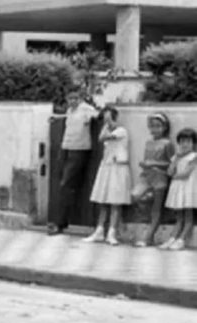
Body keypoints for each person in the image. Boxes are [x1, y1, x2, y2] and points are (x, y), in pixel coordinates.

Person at [48, 89, 99, 235]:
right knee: (62, 183)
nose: (73, 101)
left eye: (75, 98)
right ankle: (60, 220)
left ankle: (60, 222)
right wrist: (56, 118)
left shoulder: (86, 109)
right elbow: (65, 118)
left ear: (80, 98)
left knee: (66, 184)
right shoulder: (70, 111)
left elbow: (97, 115)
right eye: (70, 98)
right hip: (66, 147)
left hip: (79, 149)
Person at [83, 106, 132, 245]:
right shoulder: (108, 131)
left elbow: (103, 137)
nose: (107, 121)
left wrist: (107, 124)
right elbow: (102, 138)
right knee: (103, 201)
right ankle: (99, 231)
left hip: (118, 169)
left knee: (115, 202)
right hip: (107, 167)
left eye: (109, 118)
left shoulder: (121, 131)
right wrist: (106, 124)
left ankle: (112, 233)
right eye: (105, 118)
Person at [135, 113, 175, 247]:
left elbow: (172, 163)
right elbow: (147, 159)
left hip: (160, 177)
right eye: (152, 126)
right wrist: (145, 164)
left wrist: (154, 164)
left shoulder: (167, 143)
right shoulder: (149, 142)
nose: (155, 129)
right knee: (136, 195)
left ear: (165, 127)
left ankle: (149, 237)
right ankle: (148, 203)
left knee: (156, 209)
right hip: (147, 175)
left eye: (158, 126)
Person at [162, 128, 197, 250]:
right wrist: (176, 158)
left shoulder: (194, 156)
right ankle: (172, 238)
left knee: (188, 217)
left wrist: (174, 176)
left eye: (188, 141)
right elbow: (169, 171)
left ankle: (181, 239)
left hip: (188, 189)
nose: (185, 144)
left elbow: (186, 173)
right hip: (178, 188)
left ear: (193, 143)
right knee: (179, 217)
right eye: (182, 141)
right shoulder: (177, 156)